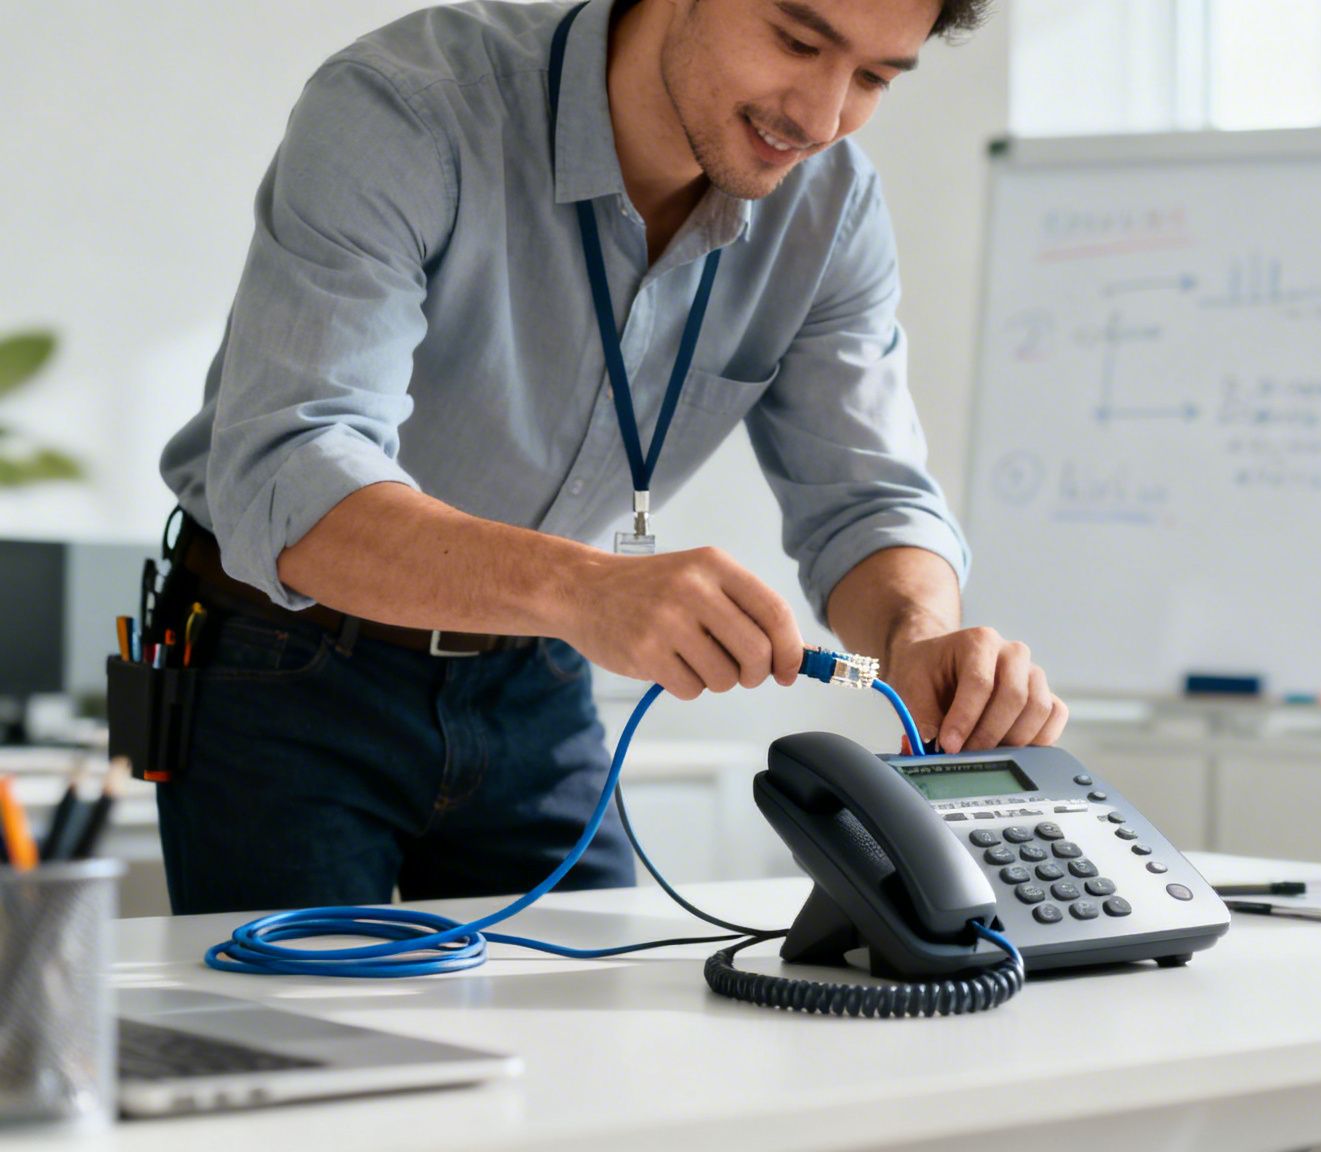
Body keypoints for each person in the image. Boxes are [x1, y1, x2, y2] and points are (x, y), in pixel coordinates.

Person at [153, 0, 1067, 916]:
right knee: (304, 1037)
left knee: (596, 1034)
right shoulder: (405, 108)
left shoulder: (832, 207)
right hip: (282, 656)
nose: (821, 119)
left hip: (534, 672)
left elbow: (867, 502)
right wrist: (586, 590)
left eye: (872, 78)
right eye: (797, 41)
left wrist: (918, 635)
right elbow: (290, 472)